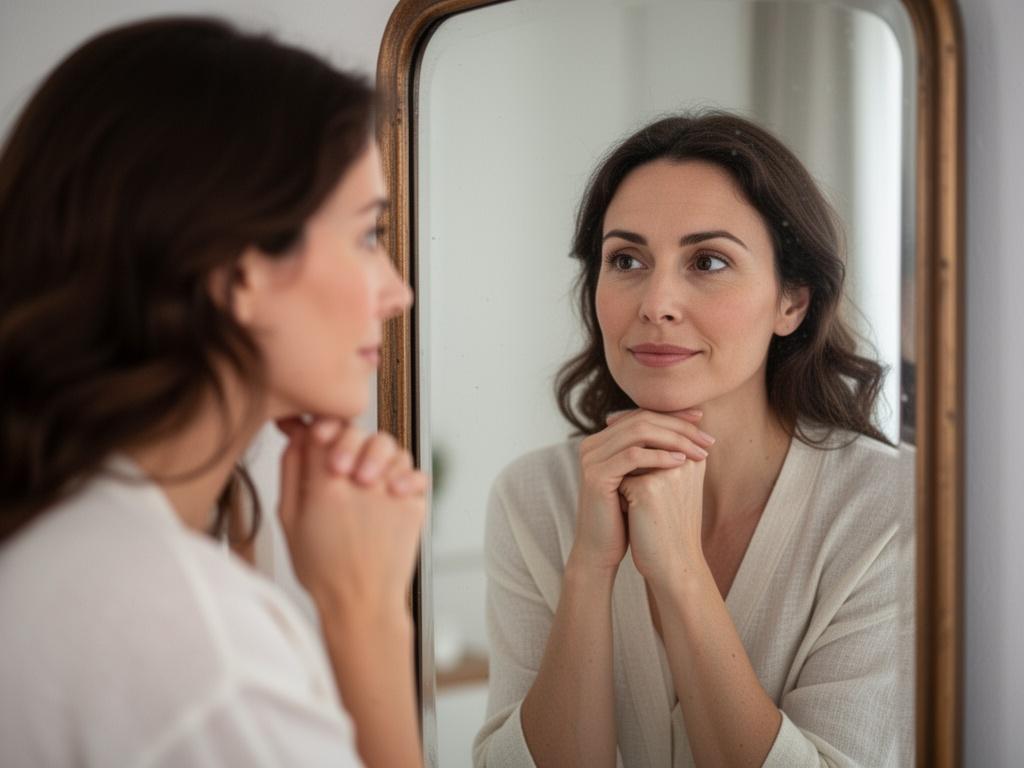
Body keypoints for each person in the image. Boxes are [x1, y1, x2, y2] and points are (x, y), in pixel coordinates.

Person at [0, 17, 426, 768]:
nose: (399, 292)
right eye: (367, 236)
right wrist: (366, 620)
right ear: (238, 272)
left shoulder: (58, 533)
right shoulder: (187, 640)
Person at [473, 113, 913, 767]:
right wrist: (590, 570)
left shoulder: (896, 508)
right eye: (626, 260)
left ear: (791, 302)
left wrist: (679, 572)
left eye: (708, 261)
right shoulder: (533, 497)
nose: (656, 301)